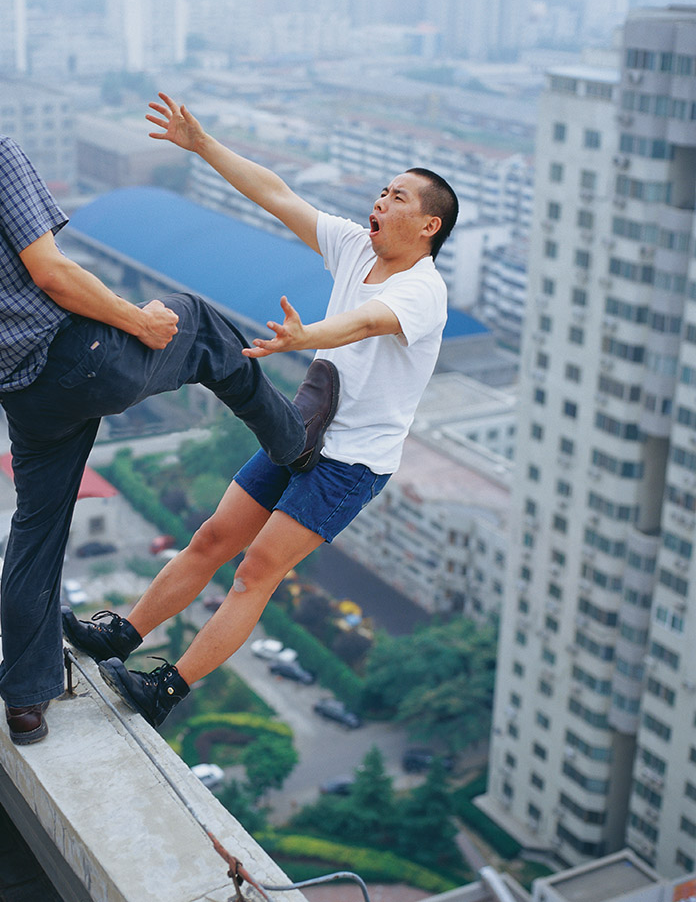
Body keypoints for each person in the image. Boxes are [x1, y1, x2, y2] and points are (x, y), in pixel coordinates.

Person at [0, 33, 337, 746]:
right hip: (81, 355)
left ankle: (25, 702)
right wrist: (137, 321)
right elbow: (51, 273)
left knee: (35, 534)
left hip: (23, 393)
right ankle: (294, 445)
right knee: (199, 322)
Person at [62, 93, 458, 728]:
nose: (381, 202)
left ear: (429, 226)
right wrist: (203, 145)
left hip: (350, 463)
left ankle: (167, 687)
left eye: (399, 197)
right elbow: (277, 196)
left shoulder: (423, 291)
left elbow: (364, 323)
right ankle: (121, 634)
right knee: (212, 538)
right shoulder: (360, 248)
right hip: (303, 430)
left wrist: (306, 338)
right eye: (383, 191)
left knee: (254, 573)